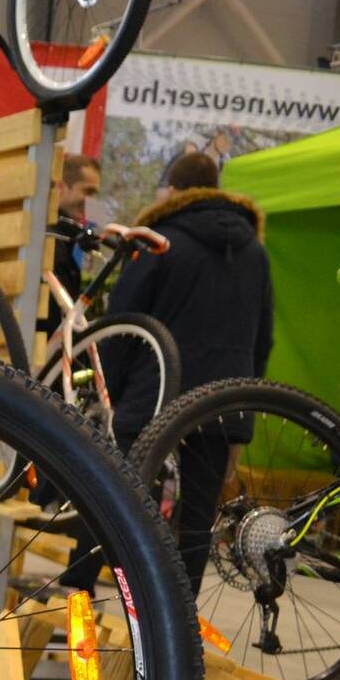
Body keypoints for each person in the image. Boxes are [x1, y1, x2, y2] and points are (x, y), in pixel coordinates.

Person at [103, 150, 273, 590]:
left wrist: (110, 391)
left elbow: (122, 320)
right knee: (197, 522)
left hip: (154, 392)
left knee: (123, 500)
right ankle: (181, 616)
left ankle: (96, 593)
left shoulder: (160, 241)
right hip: (221, 400)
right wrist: (241, 419)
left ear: (173, 191)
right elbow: (261, 338)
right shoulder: (255, 252)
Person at [41, 154, 100, 331]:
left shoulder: (76, 236)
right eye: (87, 191)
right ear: (61, 188)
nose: (91, 201)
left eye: (94, 194)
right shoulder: (46, 234)